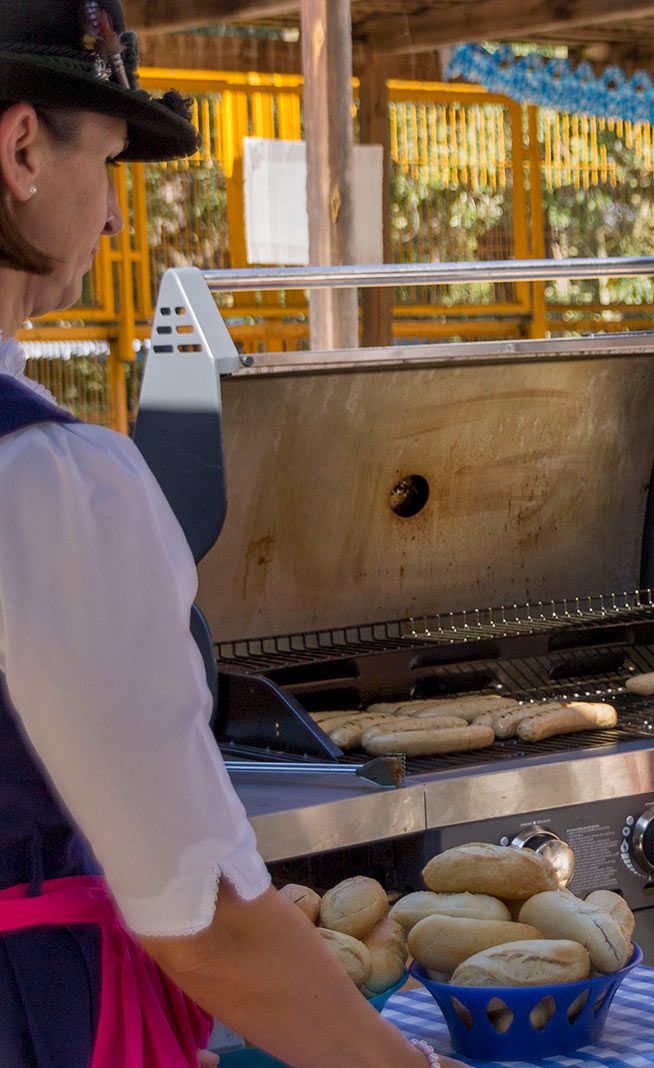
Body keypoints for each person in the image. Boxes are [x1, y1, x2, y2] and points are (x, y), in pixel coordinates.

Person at [0, 4, 464, 1065]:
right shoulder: (50, 485)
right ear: (22, 148)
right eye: (109, 162)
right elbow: (200, 915)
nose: (115, 216)